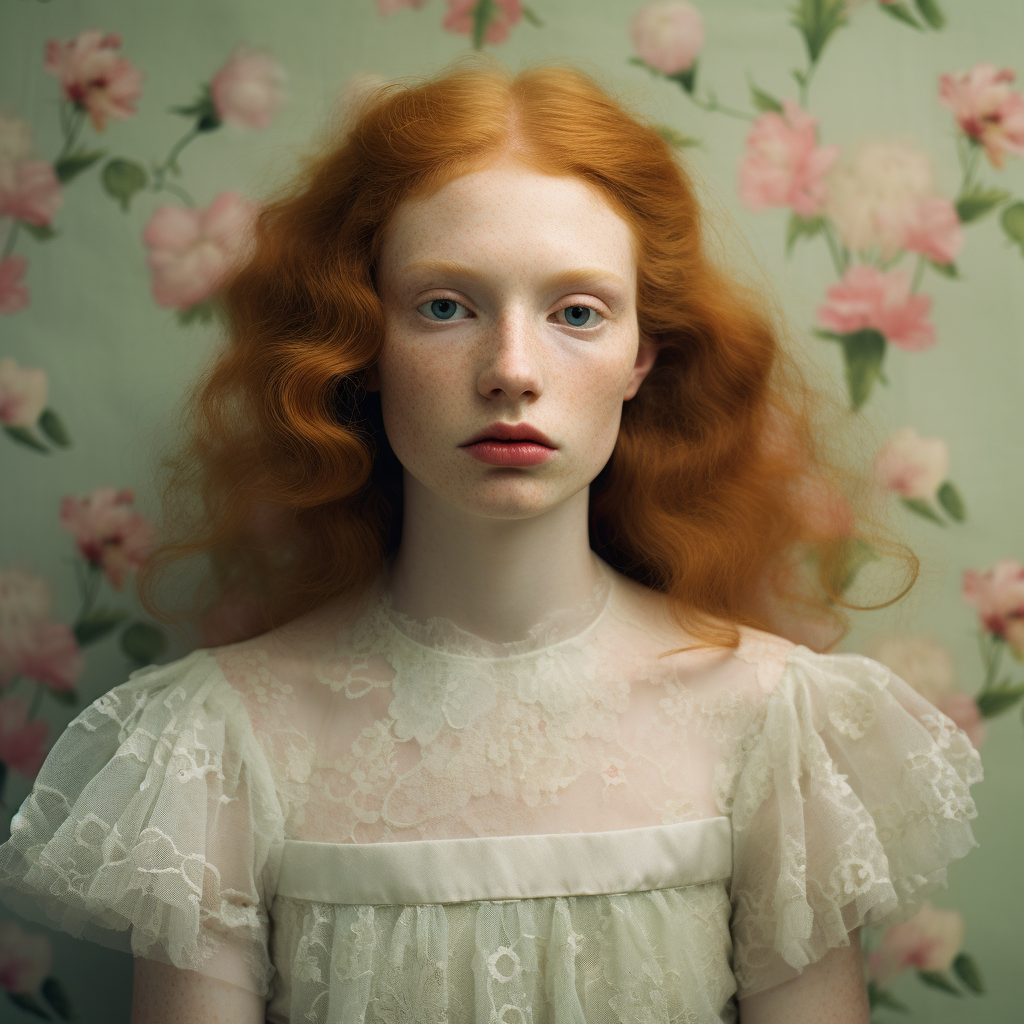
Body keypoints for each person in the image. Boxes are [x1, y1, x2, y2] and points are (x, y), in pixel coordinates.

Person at [0, 56, 982, 1024]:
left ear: (642, 354)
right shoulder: (218, 742)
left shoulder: (774, 725)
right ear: (363, 342)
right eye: (443, 306)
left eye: (576, 312)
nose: (512, 370)